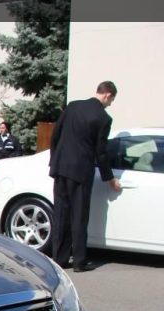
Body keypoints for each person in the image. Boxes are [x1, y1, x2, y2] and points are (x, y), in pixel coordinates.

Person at [49, 81, 122, 272]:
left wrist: (54, 161)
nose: (110, 104)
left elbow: (55, 135)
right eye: (111, 100)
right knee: (79, 216)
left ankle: (60, 259)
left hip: (61, 168)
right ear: (107, 95)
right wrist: (110, 178)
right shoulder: (103, 118)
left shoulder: (73, 106)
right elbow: (101, 152)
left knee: (61, 214)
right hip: (81, 172)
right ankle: (80, 261)